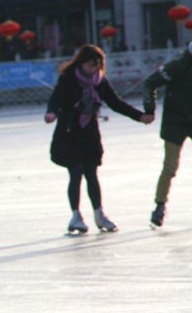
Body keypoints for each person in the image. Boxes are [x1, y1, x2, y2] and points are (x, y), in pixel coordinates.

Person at [44, 44, 153, 234]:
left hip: (89, 133)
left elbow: (115, 103)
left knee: (92, 174)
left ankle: (99, 213)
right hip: (69, 132)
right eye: (90, 65)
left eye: (97, 65)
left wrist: (139, 116)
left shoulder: (99, 81)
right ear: (81, 63)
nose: (94, 69)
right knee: (75, 173)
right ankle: (76, 215)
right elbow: (56, 99)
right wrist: (51, 113)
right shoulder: (68, 78)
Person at [143, 42, 192, 227]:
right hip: (175, 123)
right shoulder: (178, 66)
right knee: (170, 166)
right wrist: (149, 109)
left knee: (169, 167)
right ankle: (160, 205)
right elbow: (150, 82)